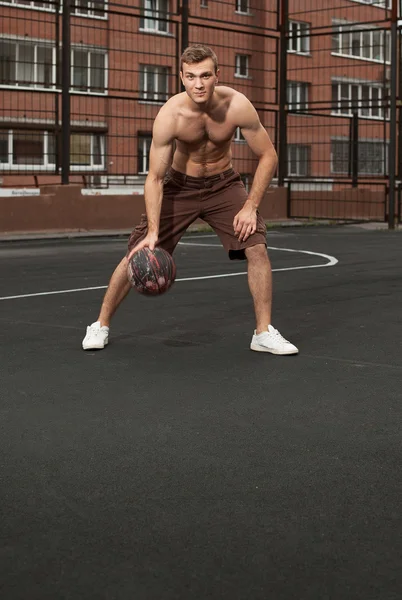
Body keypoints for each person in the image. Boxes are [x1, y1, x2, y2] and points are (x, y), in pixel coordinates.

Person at [82, 44, 298, 355]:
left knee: (257, 247)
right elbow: (155, 178)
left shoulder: (237, 105)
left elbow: (268, 155)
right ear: (182, 78)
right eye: (191, 76)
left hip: (224, 186)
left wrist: (250, 207)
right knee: (137, 253)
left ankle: (263, 333)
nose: (199, 84)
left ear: (216, 76)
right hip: (179, 187)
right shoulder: (171, 115)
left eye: (206, 75)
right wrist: (154, 232)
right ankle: (100, 324)